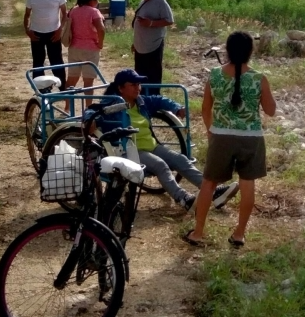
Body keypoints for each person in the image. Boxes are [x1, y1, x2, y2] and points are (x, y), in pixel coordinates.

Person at [98, 69, 239, 212]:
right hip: (129, 150)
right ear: (120, 88)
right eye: (133, 84)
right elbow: (93, 111)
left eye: (139, 84)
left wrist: (176, 108)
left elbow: (160, 100)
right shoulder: (111, 106)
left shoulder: (141, 102)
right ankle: (183, 198)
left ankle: (213, 192)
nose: (138, 88)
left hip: (151, 146)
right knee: (160, 165)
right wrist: (89, 122)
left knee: (181, 159)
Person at [186, 31, 275, 248]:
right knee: (247, 184)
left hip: (221, 135)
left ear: (227, 49)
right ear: (250, 52)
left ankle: (198, 232)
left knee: (208, 183)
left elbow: (205, 109)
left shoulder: (215, 75)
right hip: (250, 137)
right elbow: (271, 111)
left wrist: (211, 130)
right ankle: (239, 234)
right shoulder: (259, 78)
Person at [131, 0, 173, 92]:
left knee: (153, 75)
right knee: (139, 74)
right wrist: (135, 42)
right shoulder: (142, 1)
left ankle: (154, 99)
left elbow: (169, 20)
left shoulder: (160, 1)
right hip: (140, 46)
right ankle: (141, 98)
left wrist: (151, 23)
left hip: (153, 45)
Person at [24, 0, 67, 79]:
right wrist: (28, 30)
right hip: (36, 33)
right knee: (38, 62)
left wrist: (60, 30)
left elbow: (64, 14)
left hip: (54, 33)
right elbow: (27, 15)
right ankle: (40, 90)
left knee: (56, 61)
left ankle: (62, 88)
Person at [65, 0, 105, 91]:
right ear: (92, 0)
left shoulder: (73, 11)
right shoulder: (94, 12)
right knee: (88, 82)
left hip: (74, 48)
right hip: (90, 49)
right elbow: (101, 29)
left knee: (71, 80)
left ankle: (67, 106)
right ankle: (88, 106)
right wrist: (100, 44)